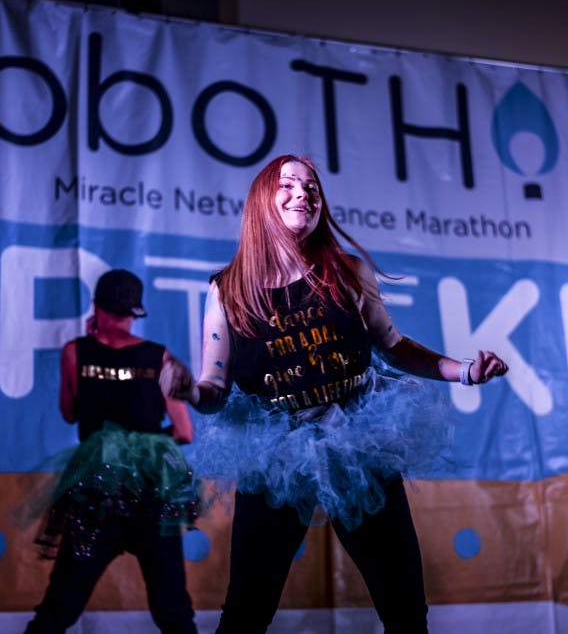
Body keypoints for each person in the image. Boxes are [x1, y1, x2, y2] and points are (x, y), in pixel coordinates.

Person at [161, 154, 508, 633]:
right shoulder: (228, 290)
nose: (303, 194)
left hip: (356, 442)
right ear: (262, 199)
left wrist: (467, 371)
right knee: (246, 611)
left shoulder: (348, 273)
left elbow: (395, 347)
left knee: (405, 607)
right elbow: (214, 389)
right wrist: (186, 390)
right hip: (277, 453)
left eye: (313, 189)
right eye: (288, 185)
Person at [26, 269, 201, 634]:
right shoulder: (160, 357)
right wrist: (148, 443)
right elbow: (185, 432)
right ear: (134, 313)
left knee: (60, 607)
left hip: (96, 494)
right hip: (152, 498)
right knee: (174, 613)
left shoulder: (75, 352)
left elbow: (70, 412)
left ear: (96, 306)